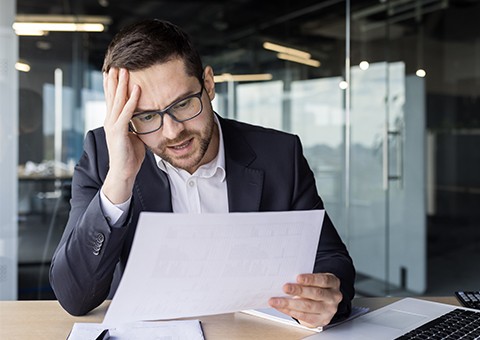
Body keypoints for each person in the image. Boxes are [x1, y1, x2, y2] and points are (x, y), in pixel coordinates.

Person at [49, 19, 355, 328]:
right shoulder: (105, 157)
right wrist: (120, 180)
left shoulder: (278, 154)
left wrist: (327, 294)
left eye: (182, 104)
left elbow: (331, 259)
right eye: (147, 116)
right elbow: (75, 297)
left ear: (208, 84)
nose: (173, 131)